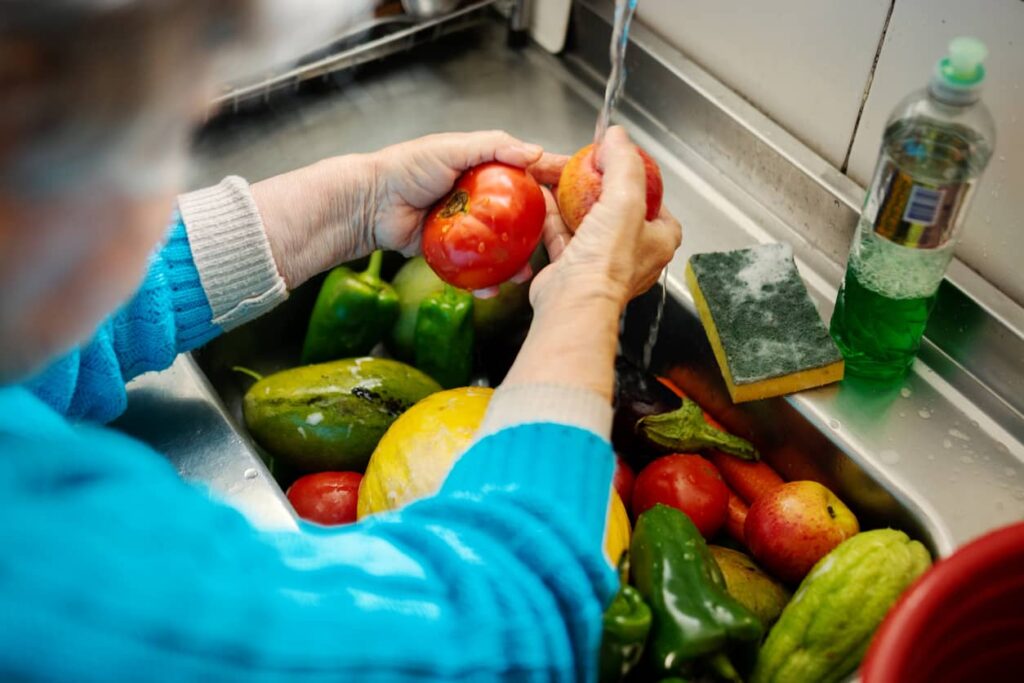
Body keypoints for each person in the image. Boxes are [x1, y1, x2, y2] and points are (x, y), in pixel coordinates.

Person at [0, 1, 681, 680]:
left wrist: (360, 202)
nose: (199, 116)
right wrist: (590, 288)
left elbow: (46, 319)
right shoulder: (44, 562)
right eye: (162, 130)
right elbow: (496, 636)